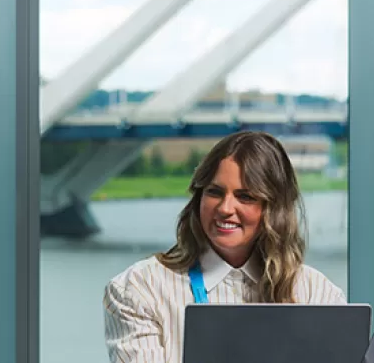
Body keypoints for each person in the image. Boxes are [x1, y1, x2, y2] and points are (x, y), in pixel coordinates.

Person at [102, 130, 346, 363]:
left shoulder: (318, 295)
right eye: (214, 192)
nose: (225, 208)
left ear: (275, 210)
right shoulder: (140, 289)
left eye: (245, 196)